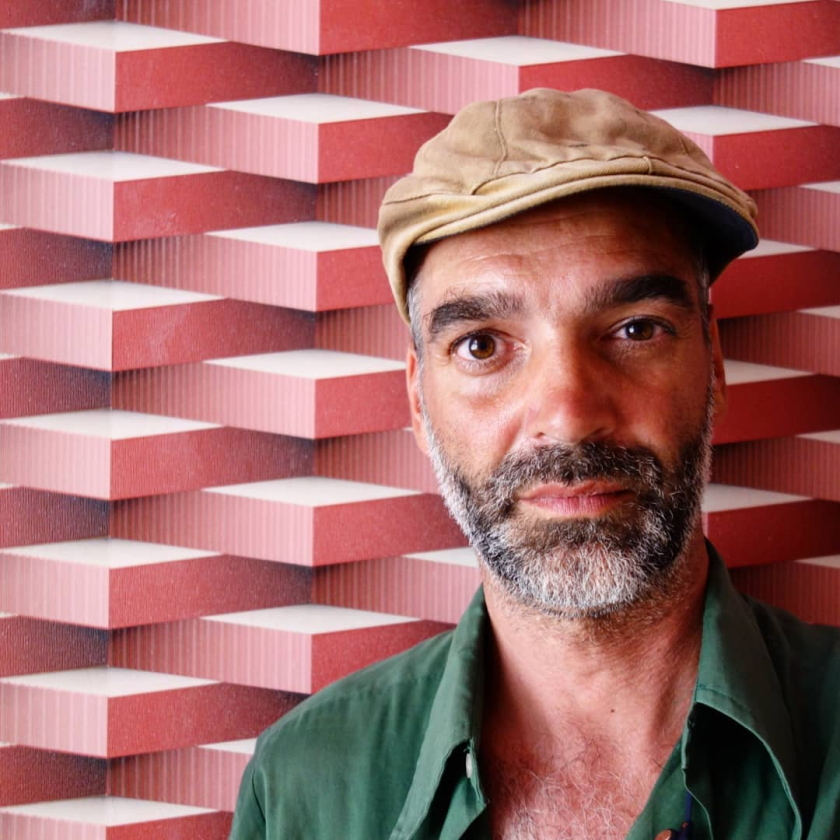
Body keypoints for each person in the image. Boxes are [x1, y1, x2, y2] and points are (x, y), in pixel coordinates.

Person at [229, 89, 840, 839]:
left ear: (712, 362)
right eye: (482, 344)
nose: (569, 414)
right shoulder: (303, 785)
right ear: (418, 400)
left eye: (635, 329)